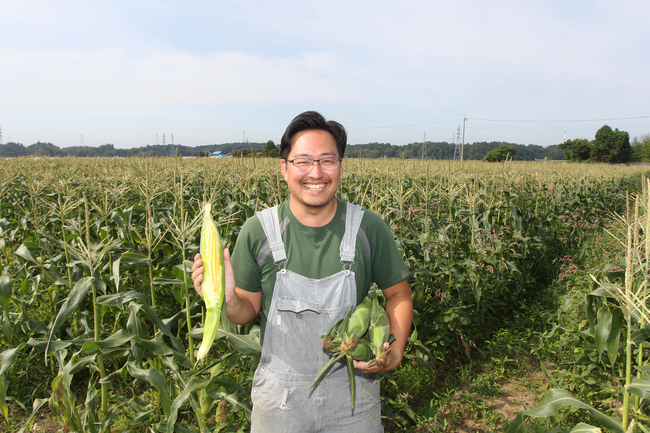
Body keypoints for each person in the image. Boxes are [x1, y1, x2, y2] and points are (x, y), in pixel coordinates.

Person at [191, 110, 412, 432]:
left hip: (353, 399)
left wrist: (396, 350)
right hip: (279, 402)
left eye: (327, 160)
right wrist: (226, 300)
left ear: (340, 165)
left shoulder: (368, 227)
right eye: (303, 161)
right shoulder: (258, 231)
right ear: (284, 167)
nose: (316, 172)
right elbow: (245, 312)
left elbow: (398, 294)